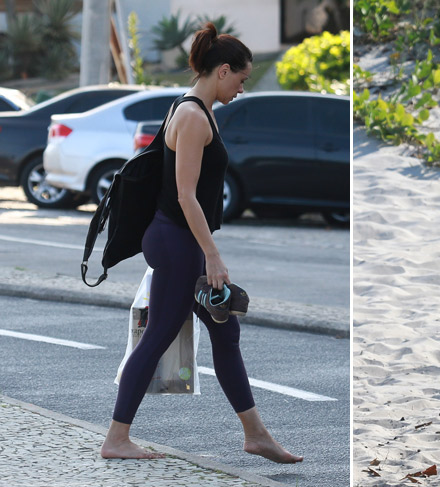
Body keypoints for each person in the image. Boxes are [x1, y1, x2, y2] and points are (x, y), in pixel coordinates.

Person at [100, 23, 303, 464]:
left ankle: (256, 434)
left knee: (225, 330)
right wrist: (212, 255)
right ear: (223, 70)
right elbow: (185, 194)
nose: (242, 89)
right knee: (157, 338)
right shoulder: (192, 115)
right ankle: (116, 439)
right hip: (177, 242)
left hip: (179, 240)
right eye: (242, 79)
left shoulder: (195, 108)